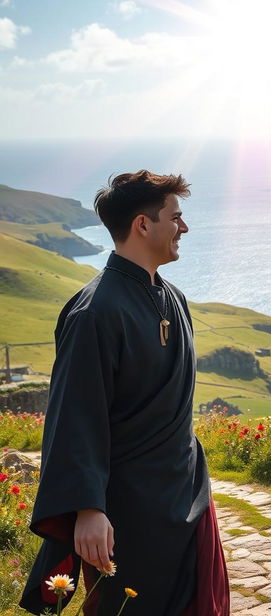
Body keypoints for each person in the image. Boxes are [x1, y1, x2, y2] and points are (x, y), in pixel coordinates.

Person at [20, 170, 230, 616]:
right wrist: (87, 509)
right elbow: (75, 417)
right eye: (176, 217)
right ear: (142, 225)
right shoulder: (94, 313)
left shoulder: (173, 298)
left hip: (186, 490)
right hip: (130, 510)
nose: (185, 227)